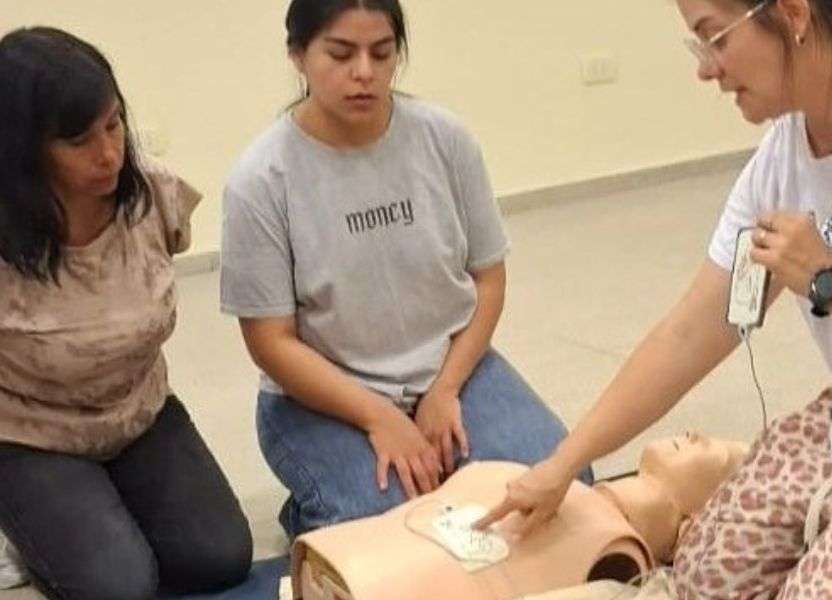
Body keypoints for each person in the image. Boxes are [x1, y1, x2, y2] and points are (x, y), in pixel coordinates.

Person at [478, 0, 832, 597]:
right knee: (704, 578)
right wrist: (562, 465)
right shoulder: (788, 147)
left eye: (715, 39)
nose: (707, 69)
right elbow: (692, 331)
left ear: (794, 14)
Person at [220, 0, 584, 539]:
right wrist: (379, 416)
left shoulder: (445, 139)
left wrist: (445, 389)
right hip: (322, 398)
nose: (364, 72)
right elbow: (271, 342)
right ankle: (313, 511)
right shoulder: (260, 180)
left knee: (560, 490)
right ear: (297, 55)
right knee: (398, 532)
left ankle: (438, 469)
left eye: (382, 53)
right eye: (340, 54)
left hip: (452, 369)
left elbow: (488, 279)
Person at [0, 27, 252, 600]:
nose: (109, 153)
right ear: (24, 149)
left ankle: (95, 506)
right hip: (29, 433)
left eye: (114, 125)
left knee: (219, 556)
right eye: (79, 140)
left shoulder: (152, 194)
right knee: (120, 587)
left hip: (137, 409)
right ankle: (31, 527)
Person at [289, 434, 745, 600]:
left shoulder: (620, 555)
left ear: (693, 523)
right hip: (337, 557)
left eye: (715, 452)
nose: (696, 434)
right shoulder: (542, 480)